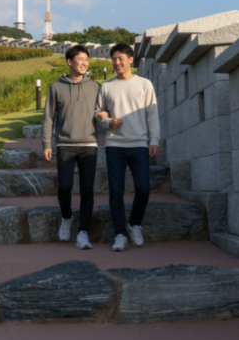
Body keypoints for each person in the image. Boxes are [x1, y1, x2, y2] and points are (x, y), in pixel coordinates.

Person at [96, 43, 160, 252]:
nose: (117, 62)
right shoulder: (106, 87)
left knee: (143, 188)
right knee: (116, 191)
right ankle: (120, 234)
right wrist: (108, 123)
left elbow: (152, 115)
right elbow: (99, 115)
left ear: (131, 60)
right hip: (115, 145)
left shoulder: (144, 84)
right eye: (114, 59)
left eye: (121, 58)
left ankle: (135, 224)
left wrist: (154, 140)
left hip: (139, 144)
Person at [42, 44, 102, 250]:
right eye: (81, 59)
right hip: (65, 144)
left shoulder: (95, 86)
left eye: (87, 59)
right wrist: (46, 143)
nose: (85, 63)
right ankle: (66, 217)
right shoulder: (55, 88)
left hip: (89, 144)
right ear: (69, 62)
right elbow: (48, 118)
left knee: (87, 190)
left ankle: (83, 232)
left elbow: (103, 113)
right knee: (65, 186)